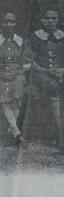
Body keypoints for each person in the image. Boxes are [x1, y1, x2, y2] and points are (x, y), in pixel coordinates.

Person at [0, 11, 30, 148]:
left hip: (17, 74)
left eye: (12, 21)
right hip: (0, 74)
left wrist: (17, 72)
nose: (9, 25)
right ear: (1, 23)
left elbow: (27, 63)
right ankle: (16, 132)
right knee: (2, 91)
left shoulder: (21, 41)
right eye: (6, 21)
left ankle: (11, 131)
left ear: (16, 23)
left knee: (17, 89)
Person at [26, 8, 64, 154]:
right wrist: (46, 71)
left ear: (58, 20)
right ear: (42, 20)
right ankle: (61, 138)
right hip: (40, 74)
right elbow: (29, 60)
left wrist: (61, 70)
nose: (50, 21)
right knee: (54, 87)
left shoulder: (62, 36)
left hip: (60, 73)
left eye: (53, 18)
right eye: (47, 18)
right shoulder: (34, 37)